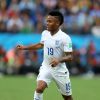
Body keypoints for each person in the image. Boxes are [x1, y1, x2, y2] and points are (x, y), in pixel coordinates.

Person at [16, 10, 73, 100]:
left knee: (67, 97)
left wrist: (59, 60)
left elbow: (70, 56)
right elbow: (40, 45)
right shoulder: (45, 33)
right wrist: (24, 48)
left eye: (50, 21)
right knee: (39, 88)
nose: (47, 23)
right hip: (46, 67)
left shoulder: (65, 38)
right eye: (47, 21)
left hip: (60, 71)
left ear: (57, 23)